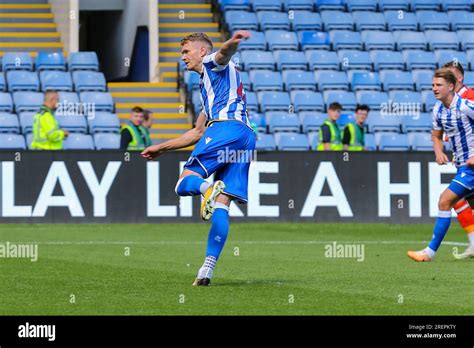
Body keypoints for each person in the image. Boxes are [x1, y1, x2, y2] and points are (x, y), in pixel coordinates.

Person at [141, 31, 255, 286]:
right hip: (245, 136)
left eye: (185, 51)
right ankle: (207, 269)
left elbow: (224, 53)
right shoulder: (211, 87)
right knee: (222, 204)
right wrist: (162, 147)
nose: (183, 57)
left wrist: (234, 40)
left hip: (225, 129)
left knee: (183, 184)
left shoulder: (212, 63)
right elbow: (197, 132)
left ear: (202, 51)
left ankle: (207, 188)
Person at [407, 68, 474, 262]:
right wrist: (438, 151)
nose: (434, 89)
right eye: (433, 85)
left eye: (439, 85)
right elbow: (436, 136)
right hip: (462, 166)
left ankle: (429, 253)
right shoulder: (438, 110)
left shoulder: (465, 106)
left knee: (445, 201)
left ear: (451, 86)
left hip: (471, 169)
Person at [441, 61, 474, 259]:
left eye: (450, 75)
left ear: (459, 78)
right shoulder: (448, 103)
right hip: (464, 162)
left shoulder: (469, 97)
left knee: (453, 198)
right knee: (459, 200)